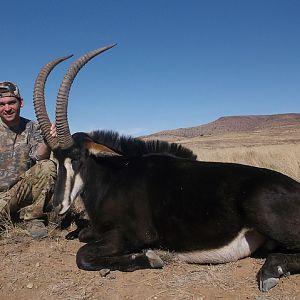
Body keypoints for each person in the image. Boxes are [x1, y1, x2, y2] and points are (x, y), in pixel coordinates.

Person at [0, 81, 57, 237]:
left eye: (12, 102)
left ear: (21, 103)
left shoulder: (33, 127)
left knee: (47, 166)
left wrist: (47, 139)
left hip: (20, 191)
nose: (7, 108)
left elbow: (39, 156)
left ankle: (32, 217)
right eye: (2, 104)